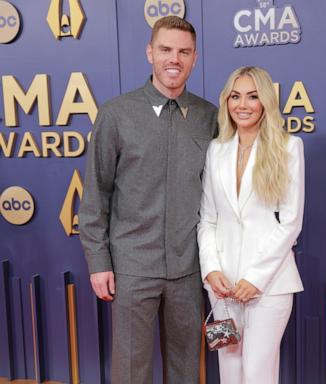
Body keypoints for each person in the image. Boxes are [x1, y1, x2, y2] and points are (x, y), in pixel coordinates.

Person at [79, 16, 217, 384]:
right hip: (131, 267)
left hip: (189, 268)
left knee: (186, 366)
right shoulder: (116, 114)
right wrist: (98, 262)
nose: (175, 59)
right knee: (130, 369)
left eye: (184, 52)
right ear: (150, 53)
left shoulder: (210, 118)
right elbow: (96, 193)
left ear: (195, 58)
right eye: (166, 50)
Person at [198, 66, 304, 384]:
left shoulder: (288, 148)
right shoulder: (216, 150)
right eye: (235, 96)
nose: (242, 105)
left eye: (253, 96)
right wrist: (211, 270)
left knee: (258, 374)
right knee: (230, 373)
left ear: (265, 103)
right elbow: (207, 218)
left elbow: (291, 222)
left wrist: (255, 278)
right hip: (223, 287)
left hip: (269, 286)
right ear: (227, 101)